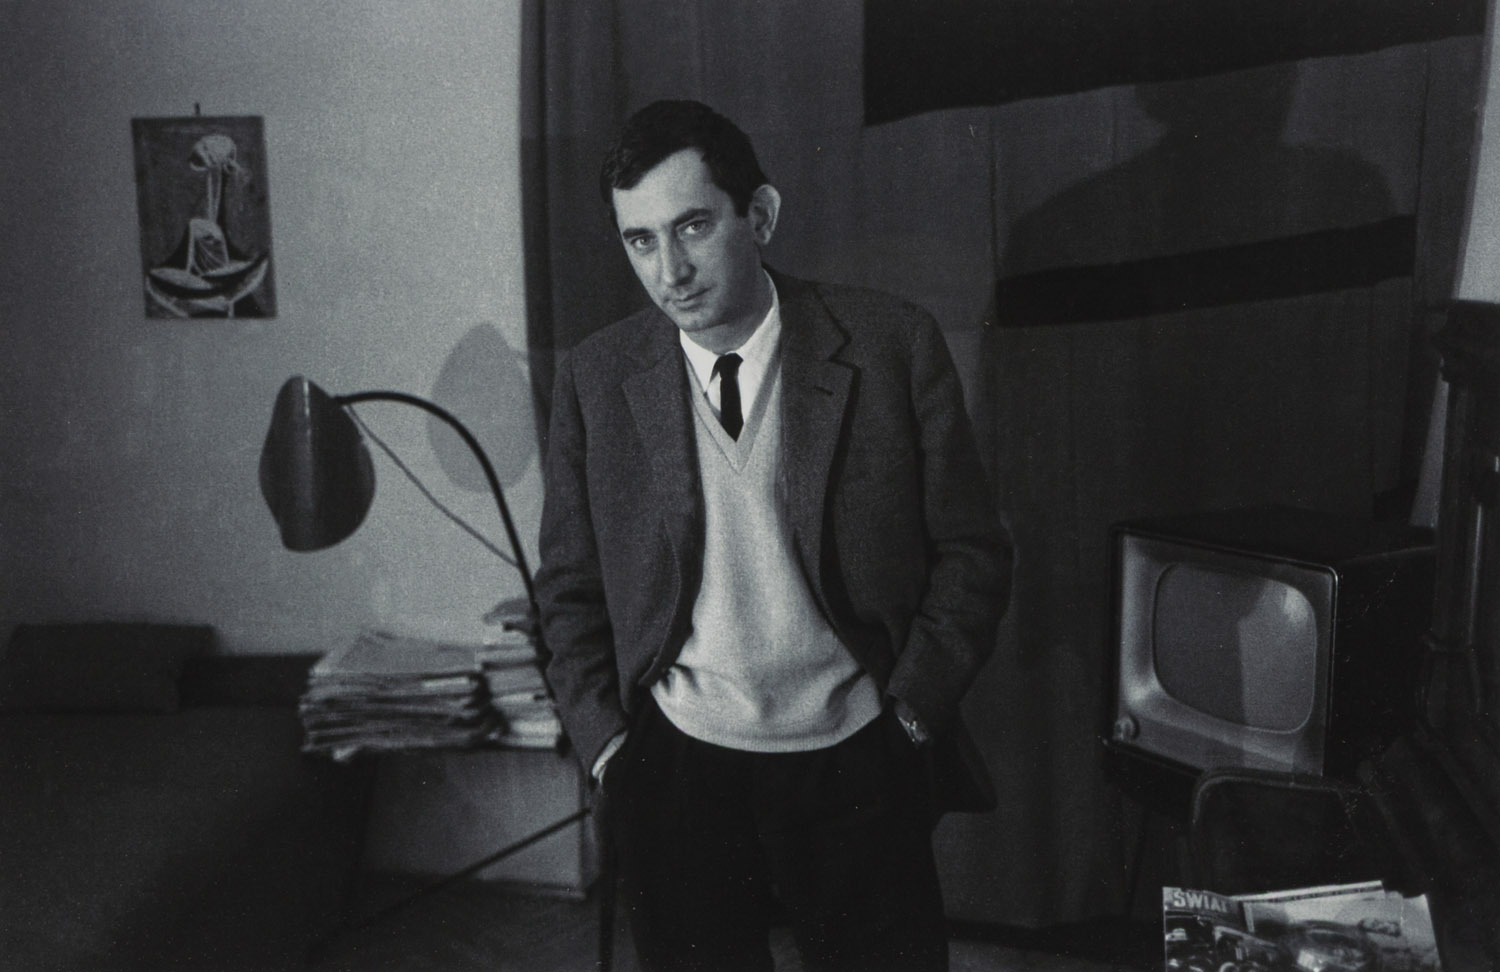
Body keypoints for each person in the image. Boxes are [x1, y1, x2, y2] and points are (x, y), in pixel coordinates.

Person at [535, 99, 1013, 972]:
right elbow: (568, 588)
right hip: (677, 767)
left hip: (857, 757)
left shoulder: (891, 344)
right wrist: (608, 748)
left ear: (759, 216)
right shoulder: (597, 378)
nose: (671, 271)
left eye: (693, 227)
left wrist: (910, 715)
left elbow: (972, 554)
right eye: (641, 240)